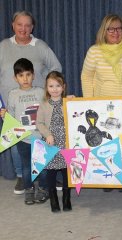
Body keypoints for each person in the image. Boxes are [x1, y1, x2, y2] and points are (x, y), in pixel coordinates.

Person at [0, 10, 62, 193]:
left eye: (27, 25)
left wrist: (48, 89)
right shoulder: (3, 46)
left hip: (38, 105)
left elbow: (56, 67)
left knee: (41, 138)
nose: (23, 28)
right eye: (20, 24)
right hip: (11, 106)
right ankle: (21, 176)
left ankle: (45, 174)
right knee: (16, 140)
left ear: (32, 27)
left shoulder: (40, 46)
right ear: (13, 25)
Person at [0, 58, 48, 205]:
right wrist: (5, 117)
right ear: (15, 78)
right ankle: (28, 189)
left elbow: (48, 111)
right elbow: (12, 118)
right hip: (23, 139)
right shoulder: (13, 94)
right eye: (21, 75)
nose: (25, 78)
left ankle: (44, 189)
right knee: (26, 166)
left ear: (33, 75)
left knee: (42, 166)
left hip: (40, 136)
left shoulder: (41, 92)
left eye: (28, 74)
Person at [81, 14, 122, 111]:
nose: (115, 32)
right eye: (111, 29)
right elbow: (86, 78)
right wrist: (90, 102)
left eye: (119, 28)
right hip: (101, 108)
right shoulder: (94, 51)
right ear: (104, 31)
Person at [36, 71, 72, 213]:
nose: (55, 89)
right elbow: (39, 123)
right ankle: (53, 200)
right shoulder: (44, 104)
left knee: (66, 172)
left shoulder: (68, 102)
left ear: (63, 87)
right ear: (46, 88)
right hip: (51, 142)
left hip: (66, 142)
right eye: (51, 86)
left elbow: (79, 113)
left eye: (58, 85)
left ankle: (66, 199)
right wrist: (48, 134)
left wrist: (74, 101)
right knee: (51, 172)